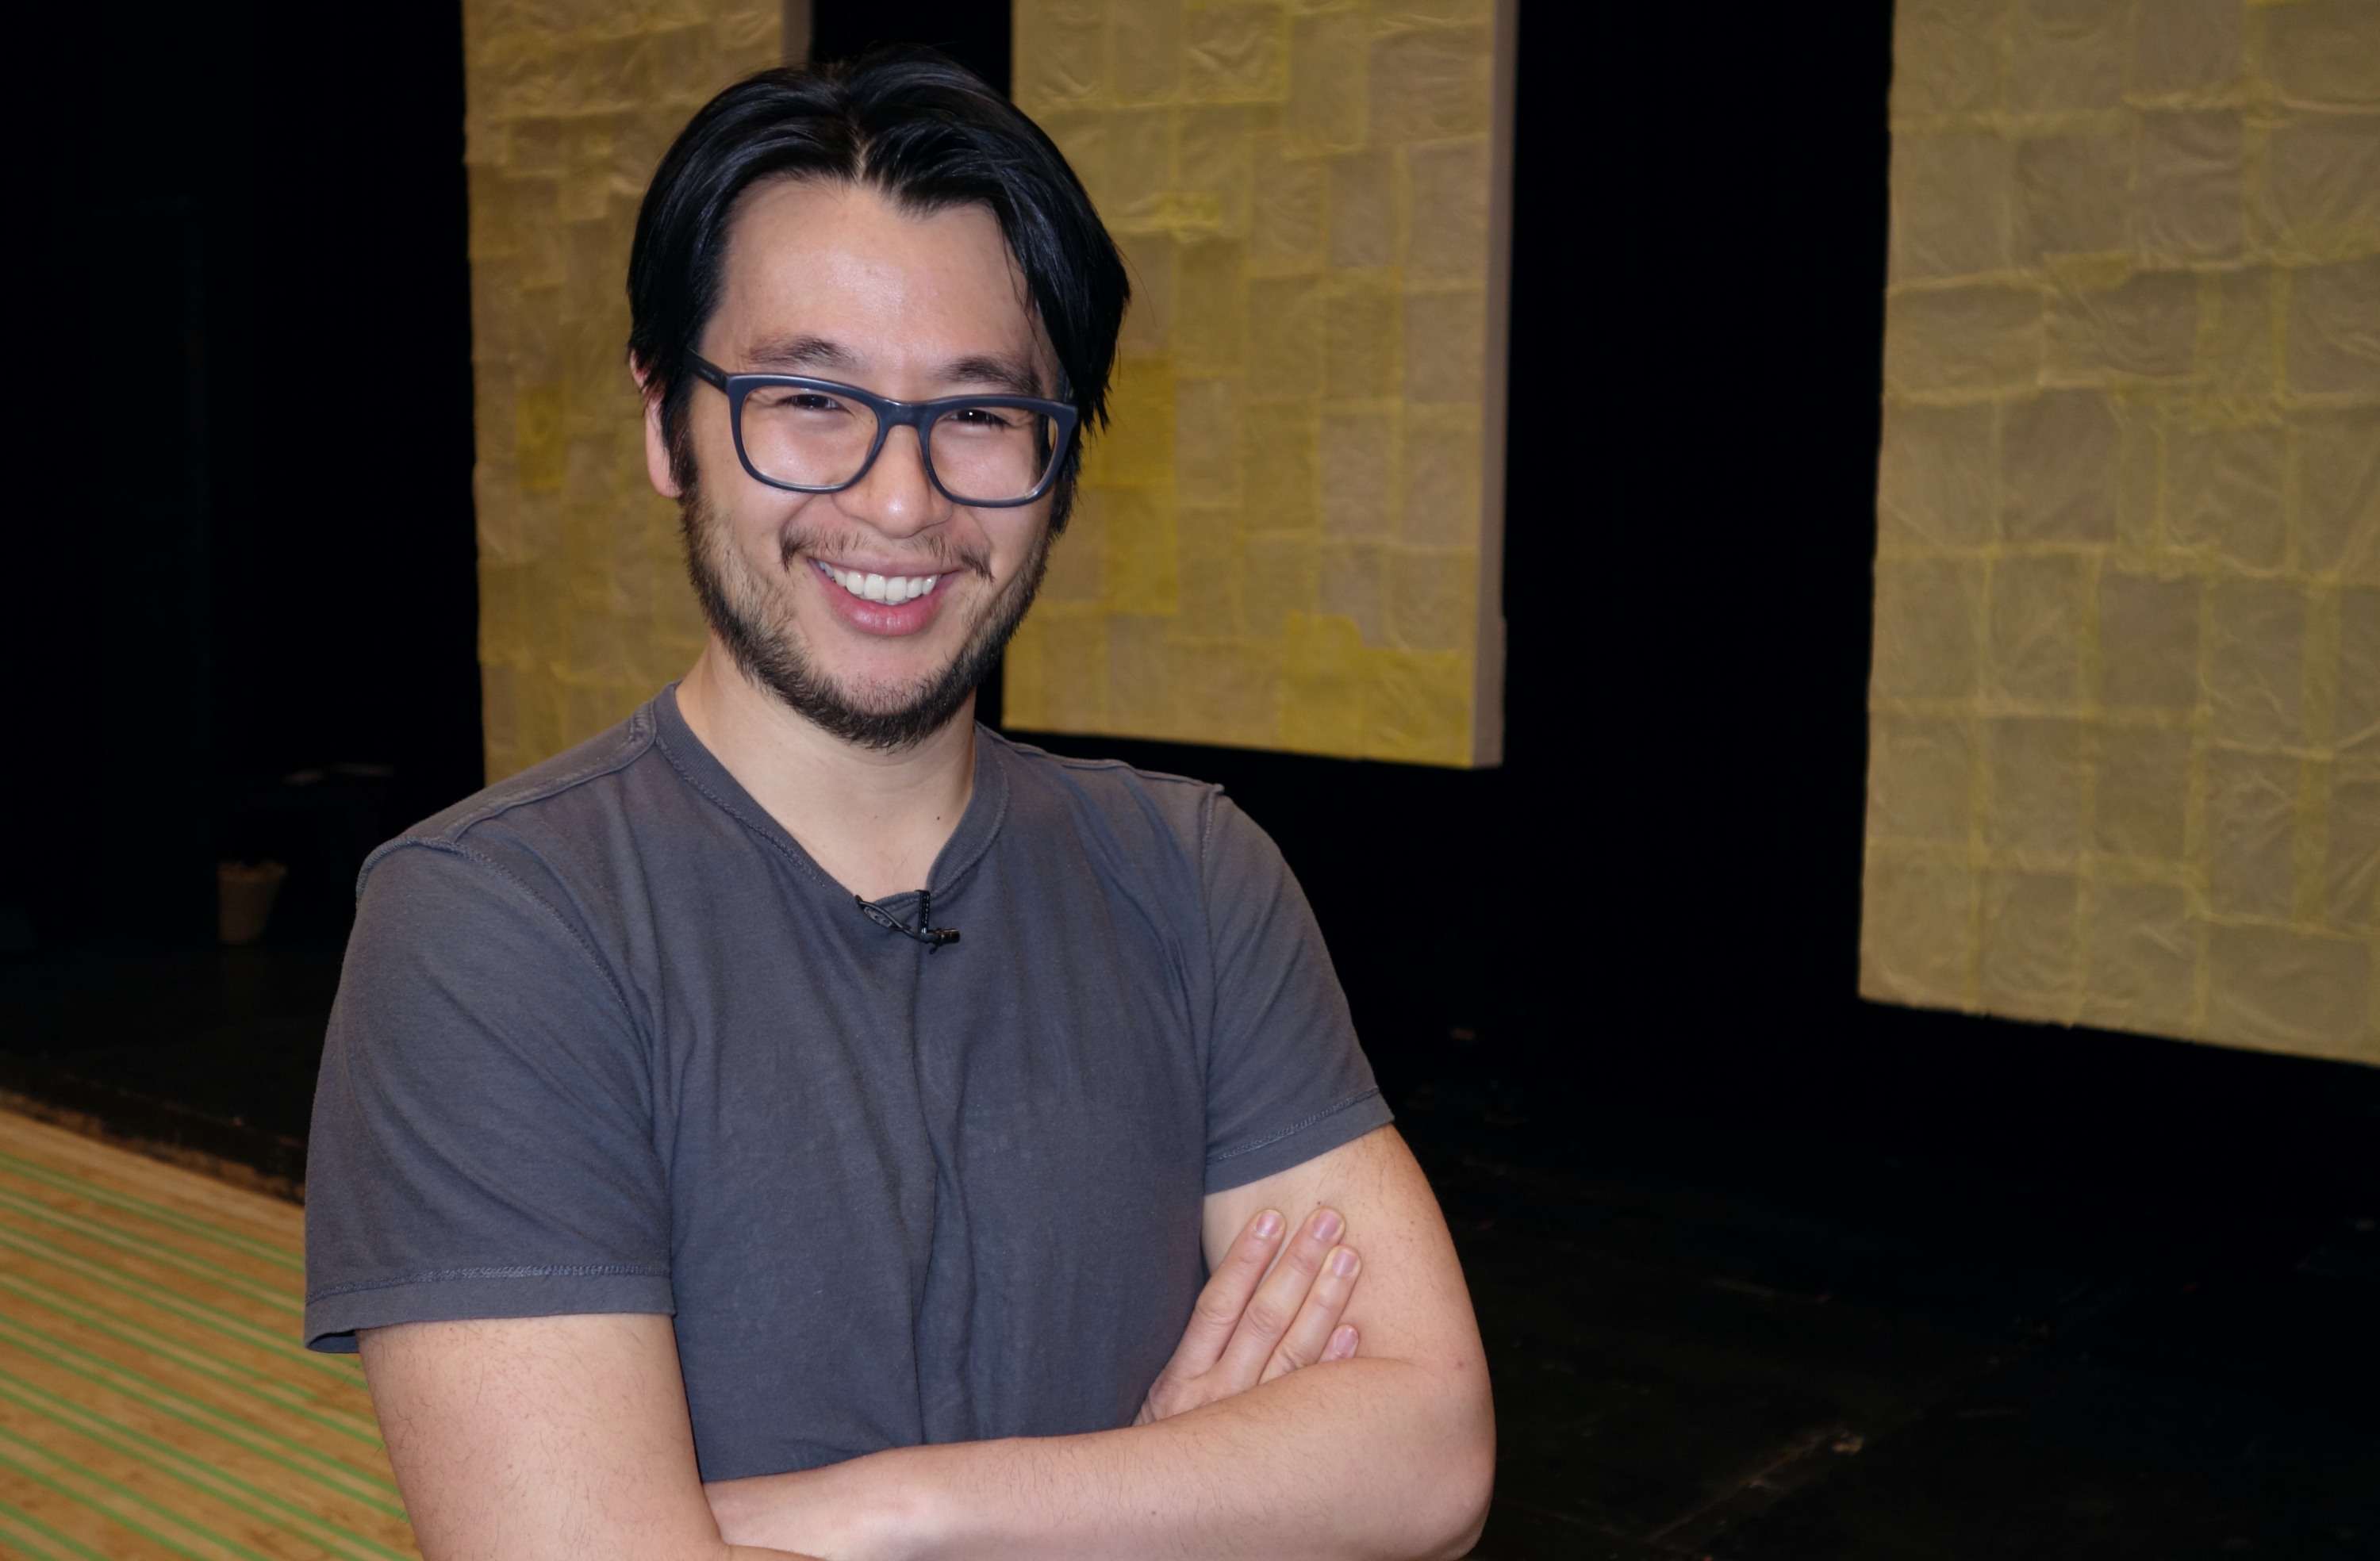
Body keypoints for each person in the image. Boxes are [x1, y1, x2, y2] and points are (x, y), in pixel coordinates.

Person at [303, 50, 1493, 1561]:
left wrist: (898, 1513)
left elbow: (1431, 1452)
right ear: (668, 423)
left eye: (981, 419)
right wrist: (1166, 1500)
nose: (900, 501)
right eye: (809, 399)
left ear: (1058, 468)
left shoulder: (1193, 872)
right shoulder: (494, 923)